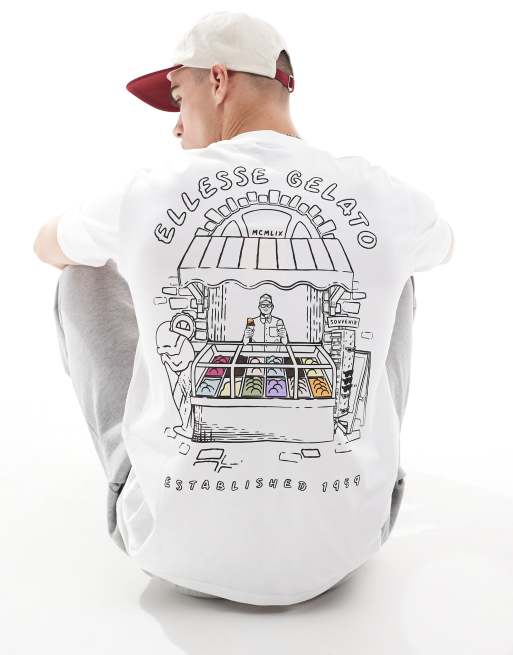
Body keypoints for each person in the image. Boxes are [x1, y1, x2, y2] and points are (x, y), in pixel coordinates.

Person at [33, 11, 454, 606]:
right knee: (397, 269)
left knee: (81, 273)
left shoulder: (148, 189)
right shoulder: (379, 191)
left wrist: (133, 245)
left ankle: (168, 476)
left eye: (179, 97)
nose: (176, 126)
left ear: (219, 80)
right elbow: (445, 245)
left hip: (169, 545)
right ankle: (347, 473)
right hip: (346, 544)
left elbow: (46, 245)